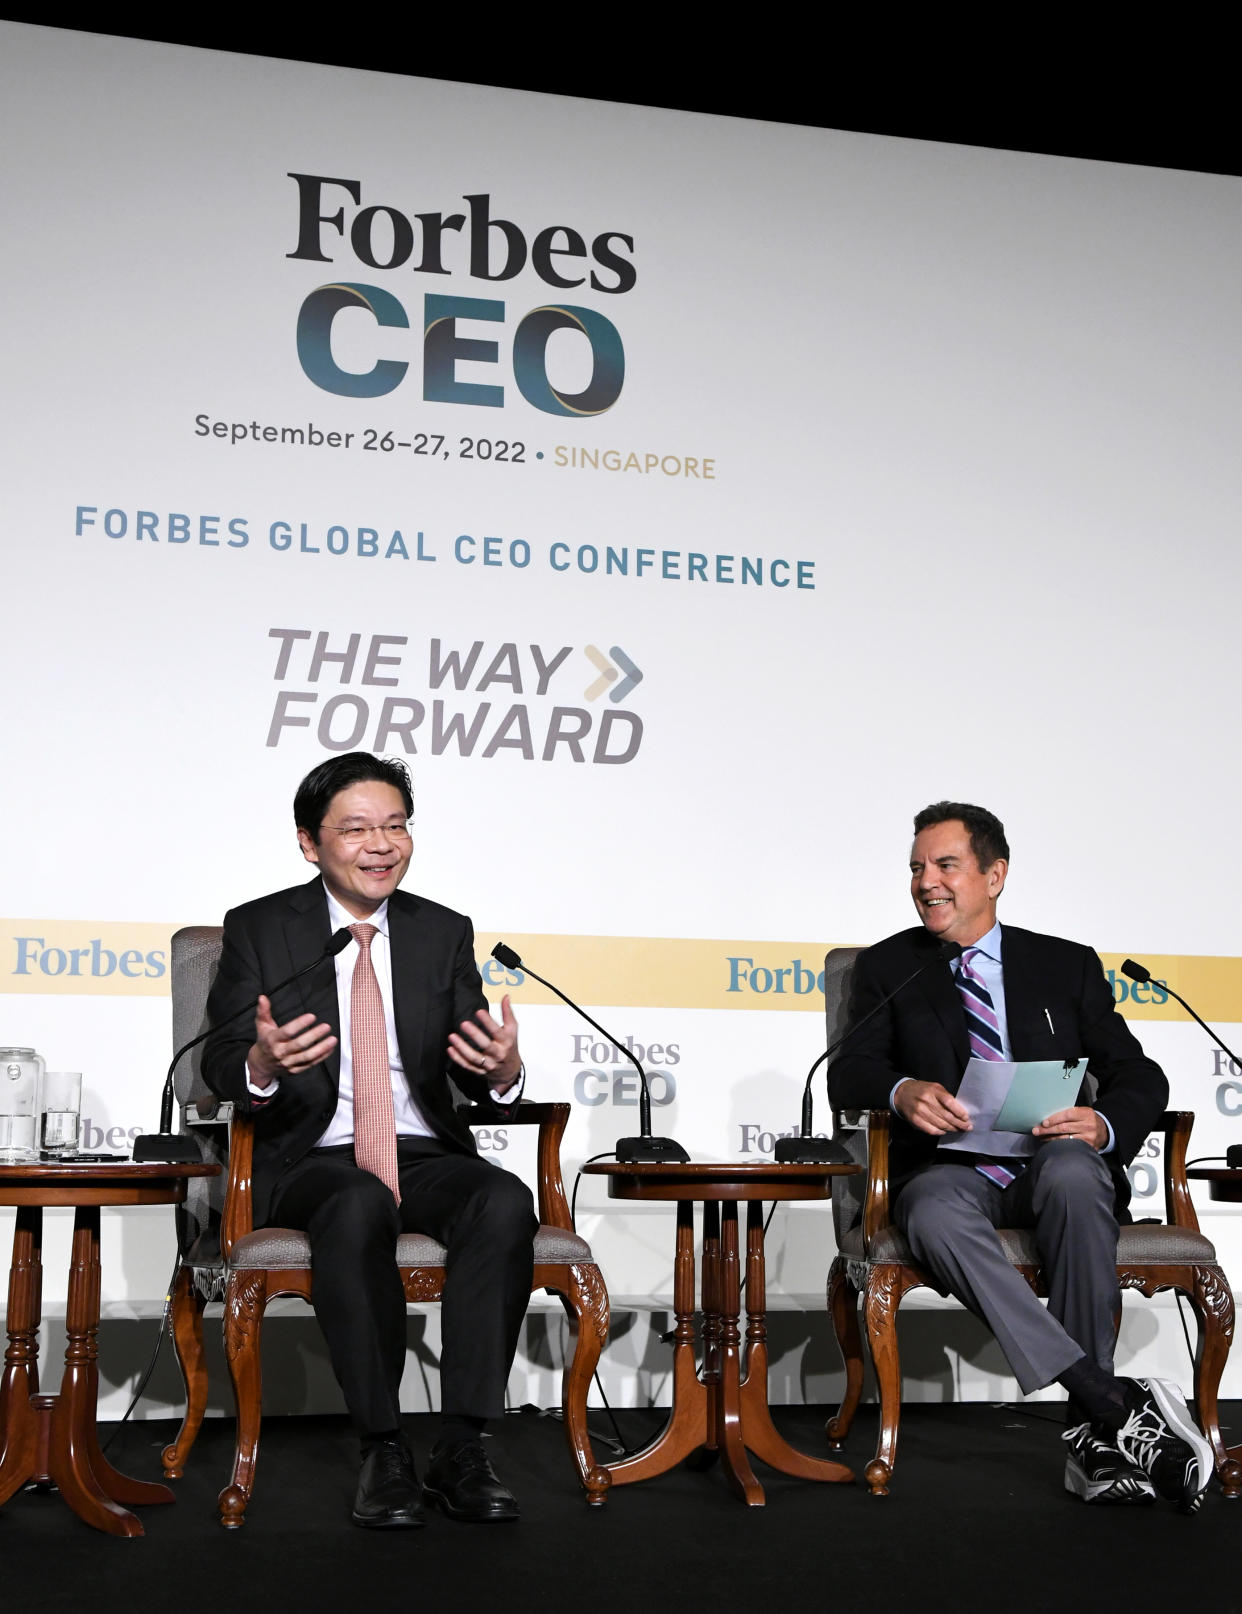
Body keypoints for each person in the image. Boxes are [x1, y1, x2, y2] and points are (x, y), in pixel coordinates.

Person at [827, 800, 1214, 1512]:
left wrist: (1100, 1123)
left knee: (1074, 1174)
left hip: (1045, 1164)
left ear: (994, 874)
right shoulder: (891, 967)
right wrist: (902, 1088)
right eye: (916, 868)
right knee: (936, 1216)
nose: (926, 882)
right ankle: (1109, 1401)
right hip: (946, 1172)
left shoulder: (1063, 965)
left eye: (945, 864)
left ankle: (1098, 1431)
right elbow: (848, 1072)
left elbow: (1139, 1074)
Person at [202, 752, 537, 1530]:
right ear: (309, 843)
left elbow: (477, 1059)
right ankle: (382, 1448)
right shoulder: (261, 927)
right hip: (308, 1155)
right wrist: (258, 1062)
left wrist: (506, 1068)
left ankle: (462, 1443)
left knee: (501, 1199)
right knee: (355, 1203)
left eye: (395, 826)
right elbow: (218, 1061)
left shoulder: (441, 930)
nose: (381, 844)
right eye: (356, 829)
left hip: (421, 1149)